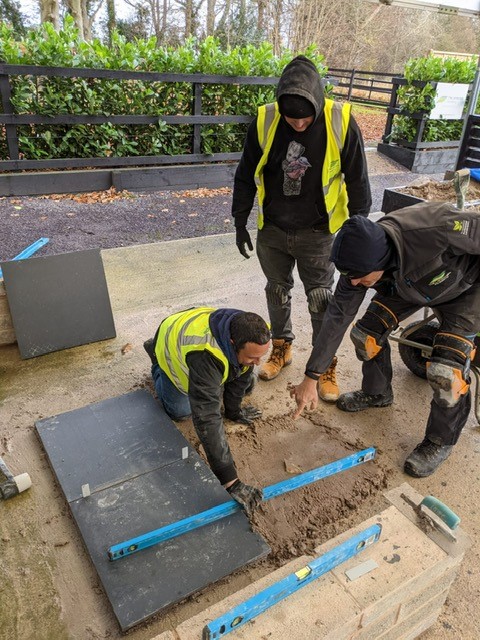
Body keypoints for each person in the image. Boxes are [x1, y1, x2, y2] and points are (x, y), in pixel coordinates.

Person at [289, 202, 480, 477]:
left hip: (466, 290)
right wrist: (311, 376)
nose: (353, 284)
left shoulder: (437, 228)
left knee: (445, 374)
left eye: (360, 278)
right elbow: (336, 320)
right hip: (408, 286)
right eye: (349, 277)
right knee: (364, 336)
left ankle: (440, 441)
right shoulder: (357, 267)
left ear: (380, 261)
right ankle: (377, 392)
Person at [232, 55, 371, 402]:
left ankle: (325, 365)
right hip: (274, 229)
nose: (297, 124)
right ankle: (282, 348)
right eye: (291, 119)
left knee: (321, 300)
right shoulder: (265, 120)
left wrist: (360, 234)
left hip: (319, 233)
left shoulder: (340, 121)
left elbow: (358, 181)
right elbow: (246, 173)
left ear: (318, 102)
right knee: (276, 292)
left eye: (304, 119)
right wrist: (239, 218)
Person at [144, 306, 271, 514]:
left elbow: (243, 373)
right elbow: (207, 417)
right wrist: (230, 480)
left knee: (248, 382)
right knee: (180, 410)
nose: (259, 362)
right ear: (232, 343)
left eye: (261, 355)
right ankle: (156, 359)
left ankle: (228, 373)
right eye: (253, 357)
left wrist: (234, 412)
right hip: (170, 340)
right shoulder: (204, 355)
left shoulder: (254, 330)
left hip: (191, 324)